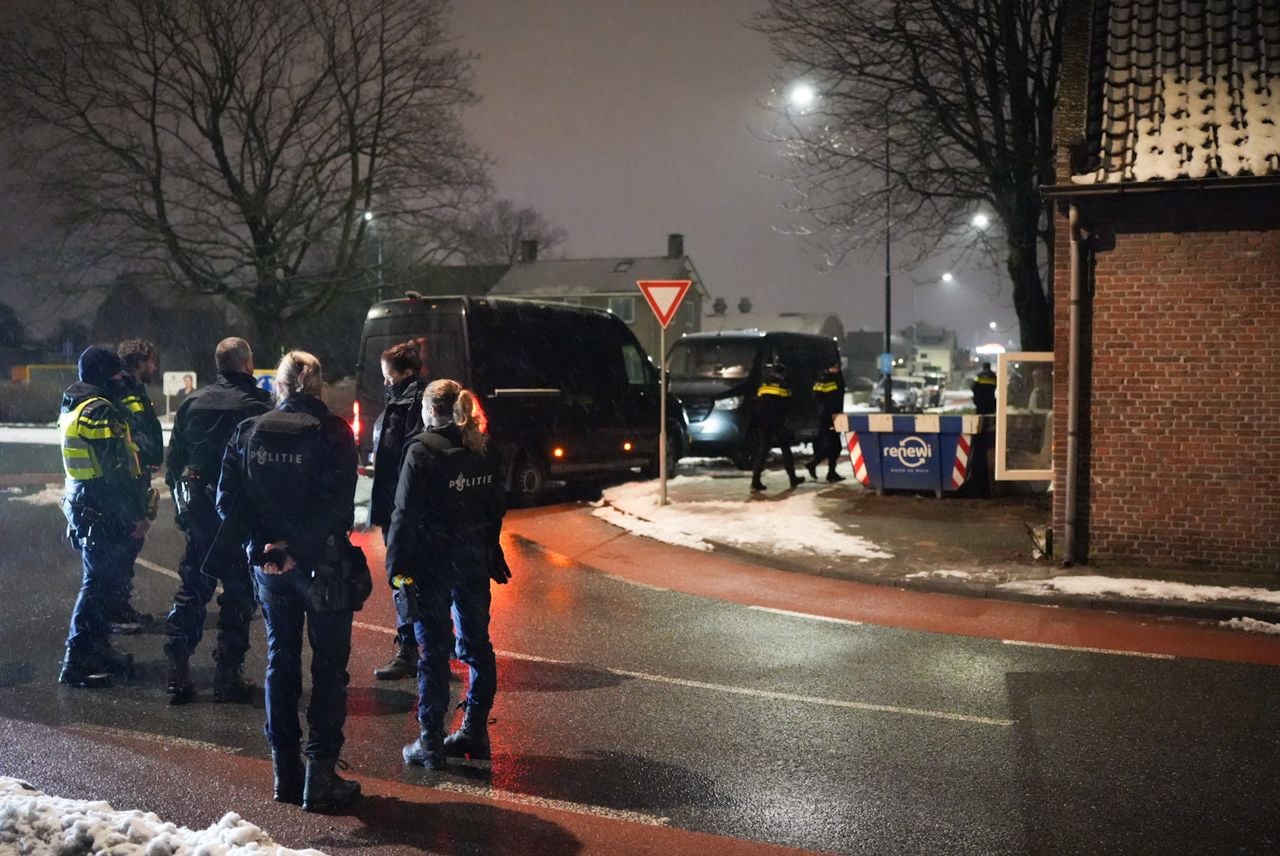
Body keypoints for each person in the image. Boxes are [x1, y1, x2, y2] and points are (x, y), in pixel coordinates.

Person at [217, 350, 363, 812]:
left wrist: (263, 546)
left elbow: (227, 502)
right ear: (319, 387)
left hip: (270, 569)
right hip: (322, 565)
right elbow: (338, 506)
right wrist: (296, 547)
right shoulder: (334, 432)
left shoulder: (248, 430)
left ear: (278, 387)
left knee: (281, 661)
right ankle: (320, 775)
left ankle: (285, 772)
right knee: (329, 669)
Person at [386, 378, 508, 770]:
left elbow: (404, 515)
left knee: (434, 651)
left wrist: (396, 569)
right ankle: (474, 729)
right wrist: (488, 548)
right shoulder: (484, 447)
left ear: (429, 410)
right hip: (472, 559)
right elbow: (496, 507)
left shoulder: (422, 450)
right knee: (477, 645)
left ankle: (430, 741)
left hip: (432, 563)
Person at [162, 337, 272, 705]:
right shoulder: (259, 405)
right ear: (248, 363)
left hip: (200, 509)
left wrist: (184, 511)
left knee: (193, 588)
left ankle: (177, 669)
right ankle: (228, 673)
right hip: (240, 511)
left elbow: (174, 464)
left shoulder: (193, 403)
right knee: (239, 594)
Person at [57, 345, 151, 687]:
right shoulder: (98, 410)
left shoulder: (75, 405)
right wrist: (136, 514)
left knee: (104, 584)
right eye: (116, 375)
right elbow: (117, 469)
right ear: (105, 376)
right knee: (98, 587)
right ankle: (77, 661)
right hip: (102, 505)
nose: (121, 380)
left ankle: (98, 650)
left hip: (86, 503)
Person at [368, 341, 426, 681]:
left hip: (404, 513)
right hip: (398, 510)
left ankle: (410, 649)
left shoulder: (411, 407)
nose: (385, 382)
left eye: (389, 376)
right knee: (410, 579)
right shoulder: (401, 404)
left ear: (406, 373)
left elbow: (408, 463)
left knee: (404, 578)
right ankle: (428, 647)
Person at [108, 339, 164, 634]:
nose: (155, 367)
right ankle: (114, 612)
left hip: (136, 476)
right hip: (128, 479)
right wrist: (145, 456)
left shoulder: (133, 389)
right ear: (140, 362)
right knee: (125, 543)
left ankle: (120, 606)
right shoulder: (124, 390)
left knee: (129, 544)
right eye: (152, 362)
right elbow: (131, 434)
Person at [750, 361, 805, 493]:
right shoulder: (783, 385)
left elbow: (759, 402)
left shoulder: (764, 384)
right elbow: (787, 404)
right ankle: (792, 478)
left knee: (763, 450)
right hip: (777, 421)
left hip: (763, 421)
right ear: (782, 373)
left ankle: (755, 480)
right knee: (786, 449)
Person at [806, 361, 846, 483]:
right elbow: (817, 396)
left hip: (835, 416)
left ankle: (822, 468)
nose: (836, 369)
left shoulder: (836, 378)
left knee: (834, 446)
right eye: (833, 367)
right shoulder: (824, 378)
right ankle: (824, 469)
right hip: (827, 417)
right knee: (835, 445)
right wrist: (827, 410)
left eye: (837, 367)